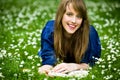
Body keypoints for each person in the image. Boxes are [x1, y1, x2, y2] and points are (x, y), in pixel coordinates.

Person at [38, 0, 101, 75]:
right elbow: (48, 60)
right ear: (61, 15)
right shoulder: (50, 29)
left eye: (79, 16)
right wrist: (47, 68)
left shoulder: (90, 33)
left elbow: (91, 62)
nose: (74, 21)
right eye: (69, 14)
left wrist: (74, 66)